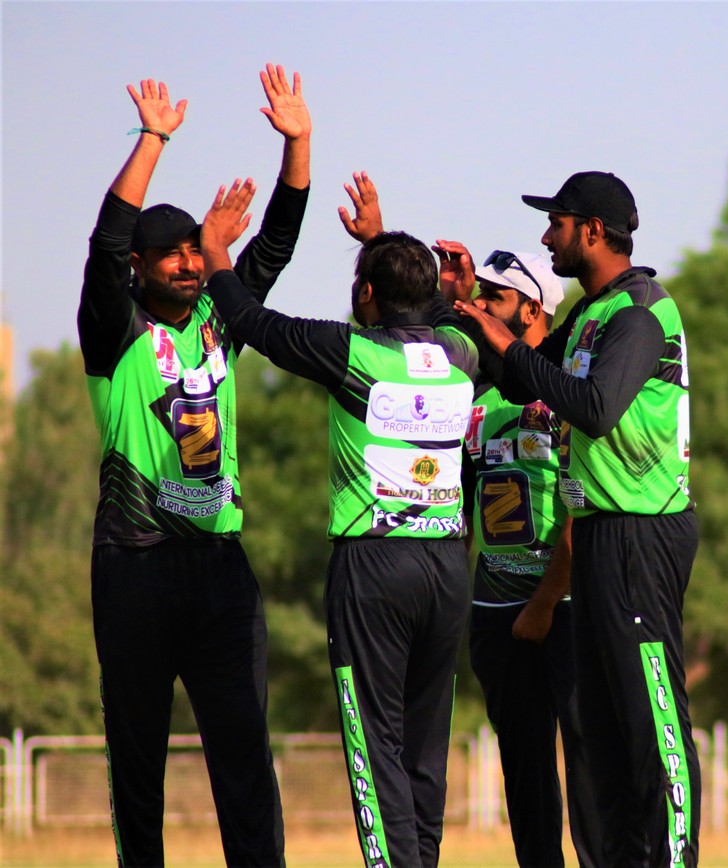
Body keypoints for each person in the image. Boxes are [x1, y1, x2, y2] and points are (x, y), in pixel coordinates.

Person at [200, 173, 477, 868]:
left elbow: (253, 323)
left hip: (375, 567)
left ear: (367, 294)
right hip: (448, 567)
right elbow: (431, 311)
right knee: (425, 746)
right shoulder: (460, 353)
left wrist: (216, 255)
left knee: (374, 742)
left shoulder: (352, 353)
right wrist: (383, 242)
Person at [76, 67, 309, 867]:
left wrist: (298, 143)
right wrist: (153, 138)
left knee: (244, 757)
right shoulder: (114, 330)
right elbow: (106, 242)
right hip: (135, 568)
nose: (185, 264)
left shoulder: (219, 317)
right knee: (136, 756)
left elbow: (276, 242)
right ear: (138, 268)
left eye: (191, 252)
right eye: (167, 255)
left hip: (220, 568)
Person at [454, 171, 701, 867]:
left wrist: (510, 345)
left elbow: (595, 408)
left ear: (592, 231)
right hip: (597, 533)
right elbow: (518, 381)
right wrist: (473, 314)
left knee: (652, 721)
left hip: (640, 532)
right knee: (607, 733)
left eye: (556, 223)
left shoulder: (640, 311)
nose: (546, 237)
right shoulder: (592, 313)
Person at [422, 239, 599, 867]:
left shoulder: (570, 391)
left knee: (588, 757)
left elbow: (586, 506)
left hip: (565, 606)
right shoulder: (475, 393)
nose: (481, 307)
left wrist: (546, 601)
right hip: (495, 610)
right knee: (523, 766)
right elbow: (462, 506)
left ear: (531, 309)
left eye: (494, 298)